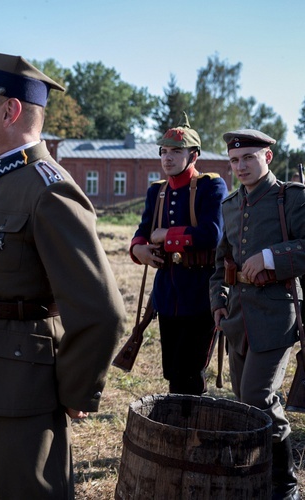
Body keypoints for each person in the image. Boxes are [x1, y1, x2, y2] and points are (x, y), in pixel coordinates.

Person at [0, 47, 125, 499]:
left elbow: (102, 311)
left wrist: (74, 392)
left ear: (10, 110)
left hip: (21, 392)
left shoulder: (50, 189)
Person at [210, 129, 305, 500]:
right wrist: (217, 301)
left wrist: (270, 258)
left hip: (277, 317)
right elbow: (222, 261)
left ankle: (284, 487)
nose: (241, 166)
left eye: (248, 158)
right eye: (234, 160)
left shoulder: (291, 199)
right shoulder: (230, 205)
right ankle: (255, 481)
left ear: (267, 157)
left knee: (257, 398)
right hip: (237, 318)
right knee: (249, 406)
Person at [129, 113, 227, 394]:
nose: (167, 158)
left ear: (193, 155)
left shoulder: (211, 185)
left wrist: (166, 237)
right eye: (164, 151)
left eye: (176, 151)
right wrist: (139, 250)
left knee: (191, 372)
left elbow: (212, 234)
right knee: (172, 370)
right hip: (167, 294)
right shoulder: (157, 191)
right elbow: (143, 229)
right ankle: (176, 430)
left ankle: (192, 431)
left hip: (200, 292)